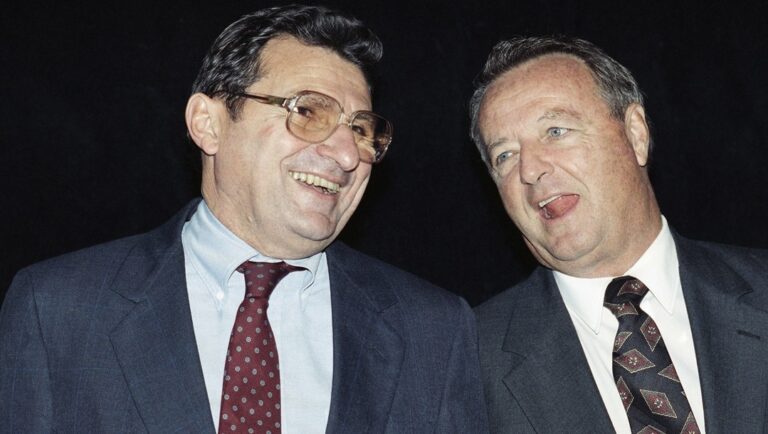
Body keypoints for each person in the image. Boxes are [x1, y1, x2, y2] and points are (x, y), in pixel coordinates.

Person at [0, 5, 487, 433]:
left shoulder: (433, 332)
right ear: (208, 124)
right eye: (309, 110)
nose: (345, 154)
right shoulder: (59, 311)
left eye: (361, 129)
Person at [470, 36, 768, 433]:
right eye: (504, 155)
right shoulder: (468, 362)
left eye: (556, 131)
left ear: (636, 134)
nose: (529, 170)